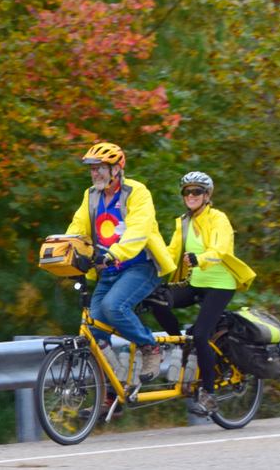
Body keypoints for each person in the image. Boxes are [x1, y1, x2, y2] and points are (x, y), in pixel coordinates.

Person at [147, 171, 256, 415]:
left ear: (207, 195)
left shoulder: (218, 219)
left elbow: (221, 250)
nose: (191, 195)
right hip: (195, 282)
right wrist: (145, 257)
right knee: (157, 298)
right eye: (187, 191)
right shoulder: (183, 223)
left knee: (202, 335)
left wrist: (200, 258)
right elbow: (170, 253)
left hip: (220, 284)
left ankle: (209, 393)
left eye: (197, 191)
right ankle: (180, 346)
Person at [66, 142, 176, 381]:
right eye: (92, 169)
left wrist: (114, 254)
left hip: (140, 266)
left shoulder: (137, 192)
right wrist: (67, 250)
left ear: (116, 169)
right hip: (107, 271)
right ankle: (112, 389)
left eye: (100, 168)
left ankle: (151, 347)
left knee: (113, 307)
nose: (94, 173)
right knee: (95, 330)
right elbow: (78, 227)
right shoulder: (91, 195)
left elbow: (138, 230)